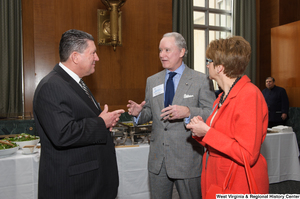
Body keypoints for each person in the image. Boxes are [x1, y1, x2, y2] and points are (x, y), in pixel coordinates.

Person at [33, 29, 124, 199]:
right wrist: (100, 123)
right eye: (93, 53)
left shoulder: (75, 83)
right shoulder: (51, 86)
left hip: (89, 182)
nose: (97, 58)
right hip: (73, 186)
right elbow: (63, 133)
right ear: (75, 56)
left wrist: (105, 122)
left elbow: (79, 120)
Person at [127, 32, 215, 199]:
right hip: (158, 159)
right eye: (160, 50)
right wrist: (139, 113)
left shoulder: (201, 80)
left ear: (182, 52)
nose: (162, 55)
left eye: (167, 50)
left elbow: (211, 113)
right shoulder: (152, 81)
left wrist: (188, 112)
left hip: (187, 158)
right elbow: (151, 112)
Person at [186, 36, 269, 198]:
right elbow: (220, 139)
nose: (207, 65)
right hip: (218, 176)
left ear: (220, 68)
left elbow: (248, 155)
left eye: (209, 61)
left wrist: (208, 132)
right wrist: (200, 131)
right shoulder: (222, 97)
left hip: (237, 181)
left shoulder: (249, 95)